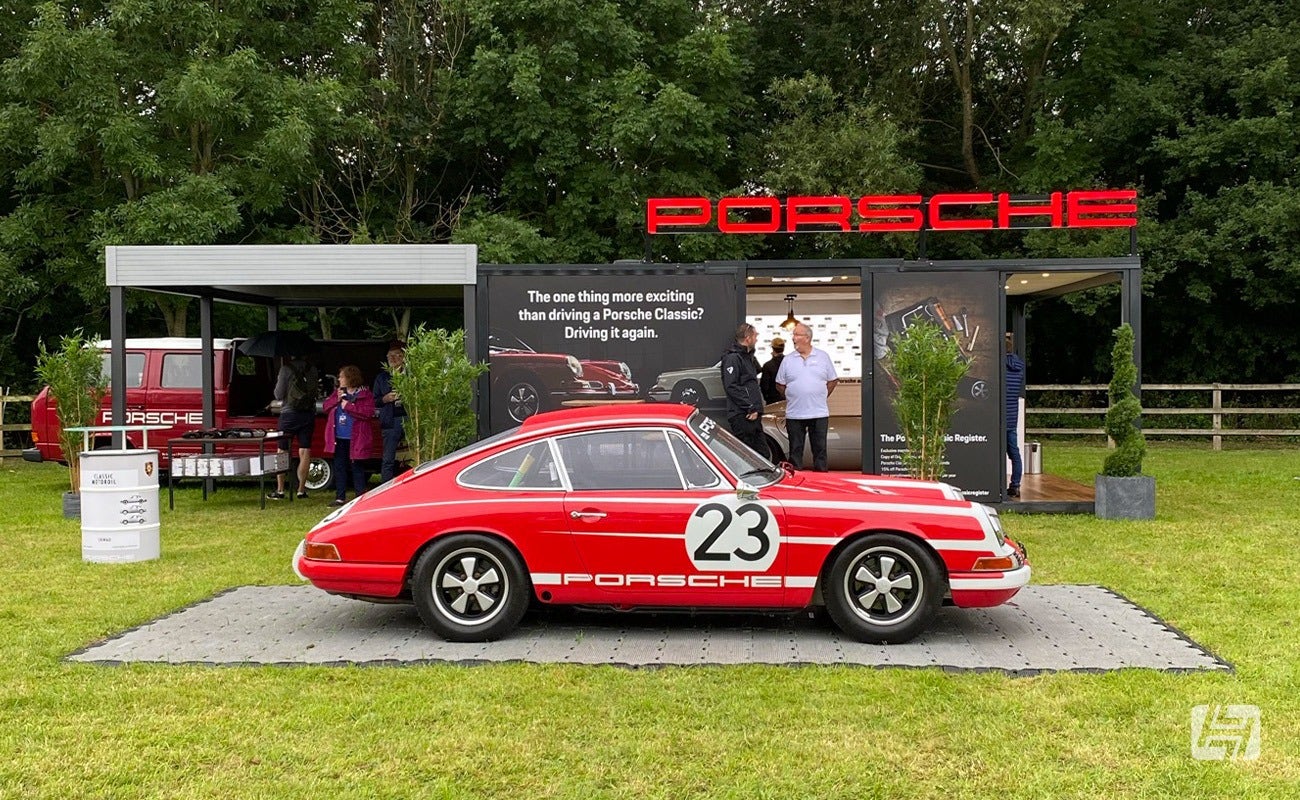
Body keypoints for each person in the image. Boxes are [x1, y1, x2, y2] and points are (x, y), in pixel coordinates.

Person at [775, 323, 838, 471]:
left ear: (807, 338)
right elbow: (779, 384)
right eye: (794, 335)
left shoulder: (823, 357)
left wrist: (821, 396)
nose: (793, 338)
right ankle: (795, 480)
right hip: (795, 413)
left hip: (819, 412)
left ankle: (822, 478)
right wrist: (792, 396)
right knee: (795, 451)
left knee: (820, 450)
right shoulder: (788, 360)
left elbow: (833, 380)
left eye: (797, 335)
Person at [324, 364, 377, 506]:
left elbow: (368, 413)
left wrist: (348, 406)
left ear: (350, 377)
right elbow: (325, 406)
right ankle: (340, 497)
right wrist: (336, 399)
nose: (339, 379)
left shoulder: (365, 394)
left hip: (356, 437)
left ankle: (360, 497)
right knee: (339, 467)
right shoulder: (338, 392)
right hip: (339, 437)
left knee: (357, 467)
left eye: (341, 376)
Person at [269, 355, 318, 500]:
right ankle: (301, 490)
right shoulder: (312, 369)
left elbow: (278, 394)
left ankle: (280, 490)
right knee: (304, 450)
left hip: (289, 414)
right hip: (308, 414)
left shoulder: (286, 369)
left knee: (282, 449)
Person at [720, 323, 768, 458]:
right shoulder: (733, 358)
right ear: (748, 338)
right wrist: (749, 407)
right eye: (755, 336)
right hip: (743, 415)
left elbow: (757, 371)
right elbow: (731, 386)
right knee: (748, 456)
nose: (757, 339)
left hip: (753, 414)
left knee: (762, 454)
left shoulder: (748, 357)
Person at [373, 342, 407, 483]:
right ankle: (386, 486)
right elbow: (375, 400)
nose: (393, 359)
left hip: (410, 417)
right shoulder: (382, 377)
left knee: (415, 454)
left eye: (397, 355)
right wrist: (385, 399)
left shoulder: (412, 375)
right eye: (390, 356)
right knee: (388, 457)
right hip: (391, 419)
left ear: (404, 357)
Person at [1005, 333, 1026, 498]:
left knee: (997, 453)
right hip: (1012, 415)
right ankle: (1016, 485)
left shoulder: (999, 368)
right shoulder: (1019, 367)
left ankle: (997, 484)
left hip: (999, 416)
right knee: (1014, 454)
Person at [759, 336, 786, 404]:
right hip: (789, 401)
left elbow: (764, 387)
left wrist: (767, 399)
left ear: (772, 348)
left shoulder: (767, 366)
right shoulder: (790, 363)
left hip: (772, 402)